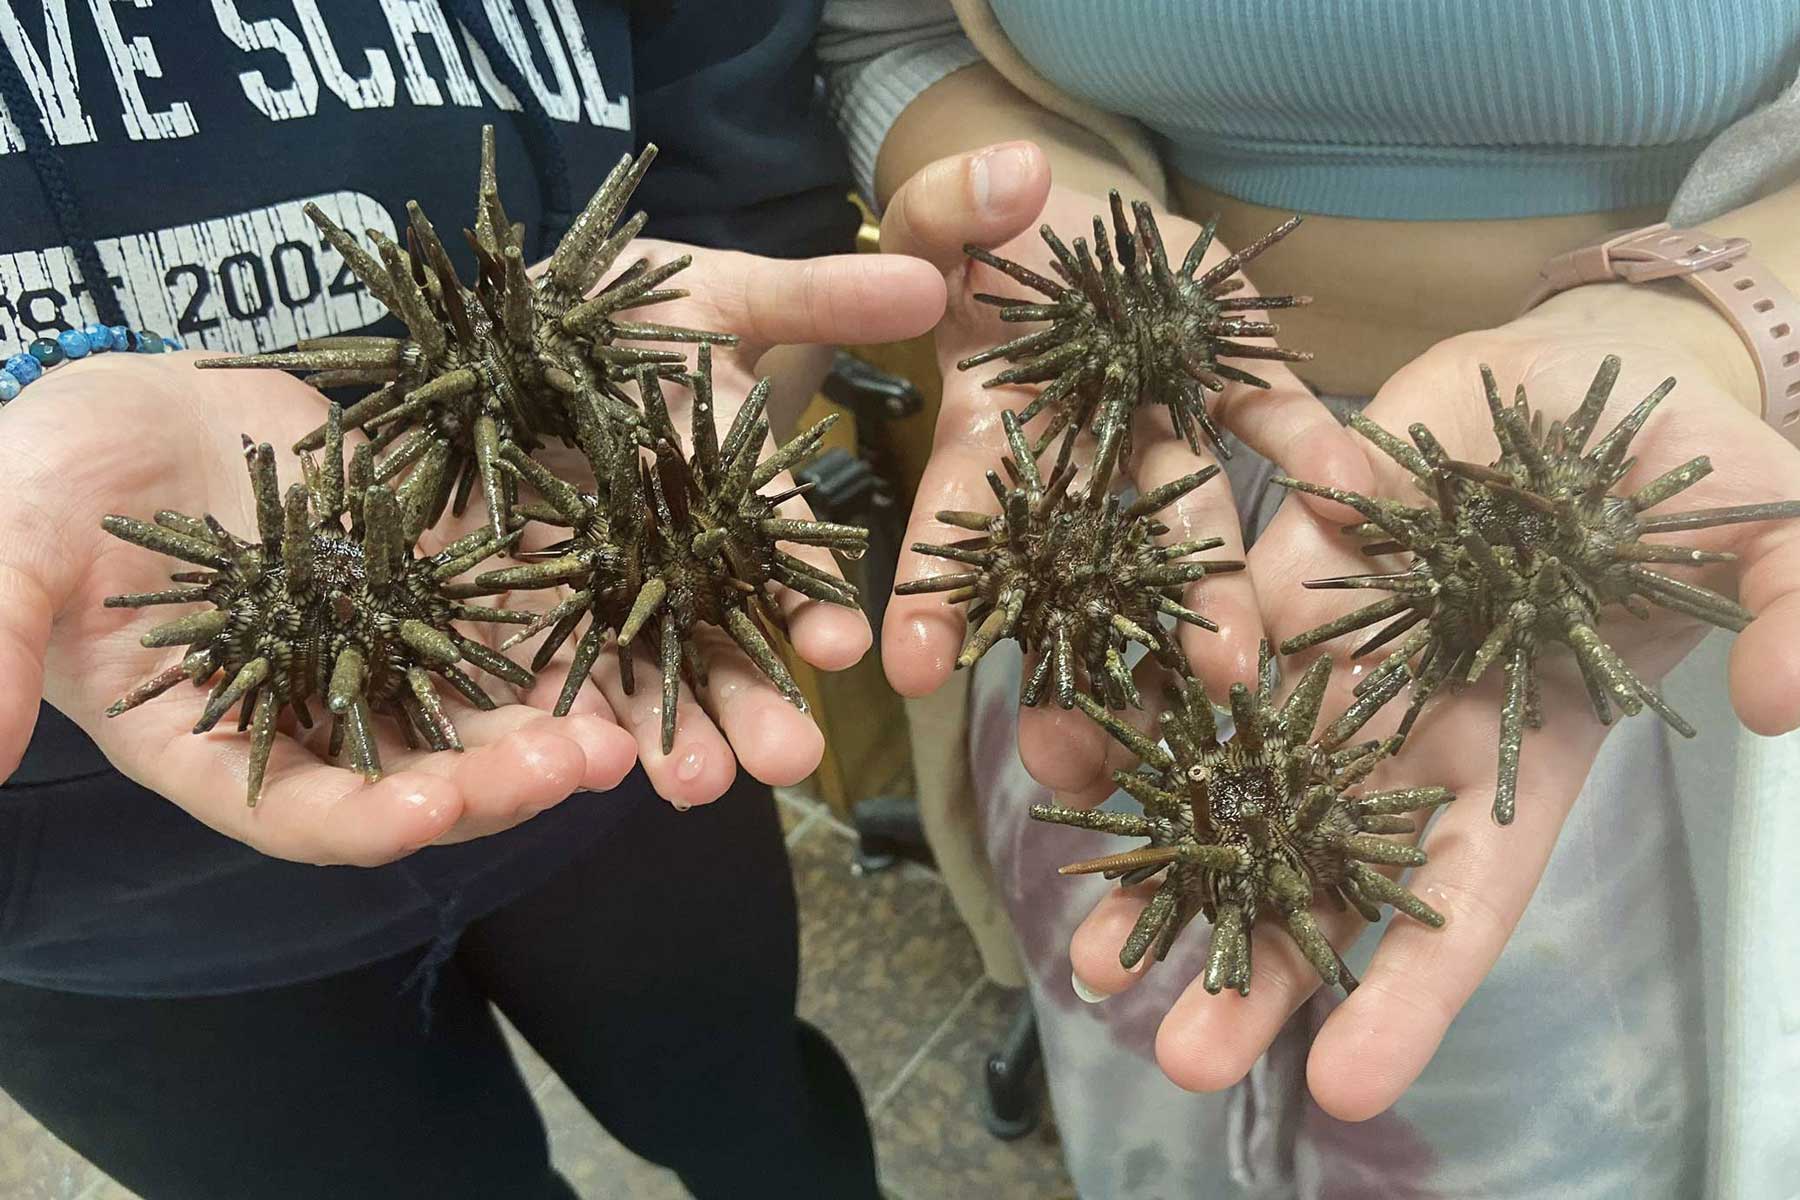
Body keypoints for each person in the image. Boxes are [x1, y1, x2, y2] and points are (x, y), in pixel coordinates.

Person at [821, 2, 1800, 1196]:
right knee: (1151, 1022)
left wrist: (1725, 316)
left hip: (1670, 479)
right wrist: (1022, 200)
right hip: (1140, 472)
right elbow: (886, 31)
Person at [0, 5, 944, 1198]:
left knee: (758, 1121)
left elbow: (728, 126)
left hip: (608, 732)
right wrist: (23, 401)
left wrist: (724, 380)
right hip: (108, 924)